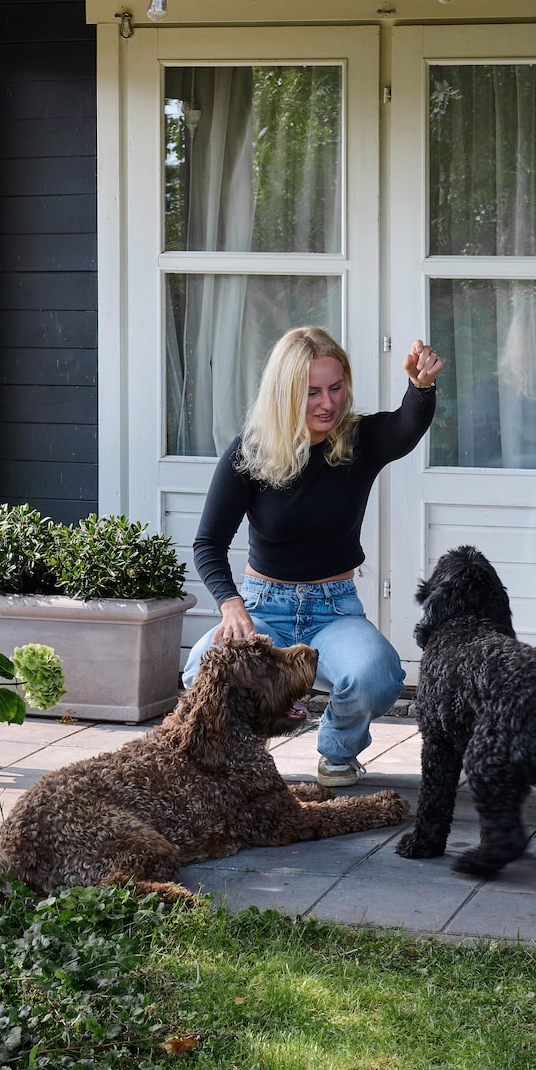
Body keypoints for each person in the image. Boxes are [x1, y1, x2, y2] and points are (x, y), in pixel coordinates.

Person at [184, 325, 444, 787]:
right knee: (201, 669)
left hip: (334, 609)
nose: (328, 403)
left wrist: (420, 387)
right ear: (284, 394)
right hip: (263, 609)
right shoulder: (251, 452)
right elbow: (208, 544)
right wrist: (231, 605)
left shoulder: (358, 442)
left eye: (336, 388)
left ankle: (337, 754)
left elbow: (406, 425)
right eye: (312, 393)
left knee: (378, 676)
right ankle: (242, 755)